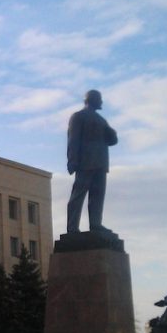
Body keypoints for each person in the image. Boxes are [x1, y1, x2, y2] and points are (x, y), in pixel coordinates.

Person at [66, 89, 118, 233]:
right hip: (85, 162)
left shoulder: (101, 120)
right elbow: (73, 139)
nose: (101, 102)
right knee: (78, 195)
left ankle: (95, 224)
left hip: (100, 164)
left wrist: (112, 133)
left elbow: (113, 141)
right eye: (99, 99)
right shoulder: (78, 116)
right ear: (92, 99)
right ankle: (72, 228)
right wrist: (72, 160)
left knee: (97, 195)